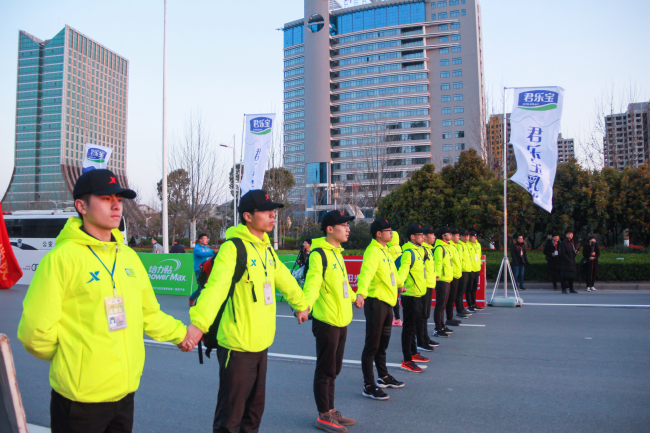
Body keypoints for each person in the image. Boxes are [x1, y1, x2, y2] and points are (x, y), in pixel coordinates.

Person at [17, 169, 195, 433]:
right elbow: (34, 333)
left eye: (119, 199)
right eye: (104, 198)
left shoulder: (129, 258)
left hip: (124, 395)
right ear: (81, 206)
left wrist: (183, 334)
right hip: (80, 401)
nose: (116, 205)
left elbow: (149, 314)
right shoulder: (61, 259)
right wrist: (74, 360)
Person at [185, 189, 310, 433]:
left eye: (273, 210)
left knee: (253, 416)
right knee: (230, 419)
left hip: (261, 344)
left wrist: (300, 304)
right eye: (266, 210)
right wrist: (198, 324)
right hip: (237, 347)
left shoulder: (266, 249)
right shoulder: (233, 248)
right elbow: (216, 288)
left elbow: (284, 278)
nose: (273, 215)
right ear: (247, 216)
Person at [303, 210, 361, 433]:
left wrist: (356, 298)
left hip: (342, 319)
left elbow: (343, 284)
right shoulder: (319, 254)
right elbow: (313, 284)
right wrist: (305, 305)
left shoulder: (337, 252)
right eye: (343, 225)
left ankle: (331, 409)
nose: (348, 228)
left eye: (348, 225)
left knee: (334, 368)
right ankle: (323, 415)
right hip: (326, 320)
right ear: (330, 229)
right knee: (325, 369)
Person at [356, 219, 406, 401]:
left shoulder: (385, 251)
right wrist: (361, 293)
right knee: (372, 345)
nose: (391, 233)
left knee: (383, 344)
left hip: (388, 302)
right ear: (378, 233)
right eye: (388, 230)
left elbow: (392, 272)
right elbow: (366, 273)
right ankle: (368, 385)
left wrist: (400, 285)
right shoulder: (373, 252)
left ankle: (383, 377)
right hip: (376, 302)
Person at [396, 224, 429, 373]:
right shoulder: (409, 252)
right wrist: (400, 284)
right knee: (409, 328)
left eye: (423, 234)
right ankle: (407, 359)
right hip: (410, 295)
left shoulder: (420, 250)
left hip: (419, 293)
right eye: (420, 235)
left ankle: (414, 353)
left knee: (415, 325)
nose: (423, 237)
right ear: (412, 237)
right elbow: (403, 270)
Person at [418, 226, 438, 352]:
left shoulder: (429, 250)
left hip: (430, 284)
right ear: (425, 237)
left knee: (426, 314)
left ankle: (425, 337)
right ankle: (421, 341)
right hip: (424, 285)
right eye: (432, 235)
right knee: (422, 315)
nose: (434, 237)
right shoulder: (422, 250)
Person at [432, 226, 454, 338]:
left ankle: (442, 325)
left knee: (443, 305)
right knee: (440, 305)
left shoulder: (447, 247)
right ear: (443, 236)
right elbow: (438, 263)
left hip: (447, 279)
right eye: (448, 233)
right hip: (441, 280)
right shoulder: (440, 248)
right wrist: (437, 275)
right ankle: (437, 328)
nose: (451, 235)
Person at [450, 229, 471, 325]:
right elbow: (458, 260)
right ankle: (459, 310)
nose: (466, 237)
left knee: (461, 292)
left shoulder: (464, 245)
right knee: (458, 293)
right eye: (459, 235)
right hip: (461, 272)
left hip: (464, 271)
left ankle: (461, 309)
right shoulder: (459, 246)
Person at [387, 231, 403, 326]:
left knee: (393, 298)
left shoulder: (390, 250)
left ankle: (397, 318)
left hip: (394, 276)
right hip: (401, 275)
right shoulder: (399, 248)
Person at [465, 231, 483, 312]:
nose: (474, 238)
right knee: (469, 288)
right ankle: (470, 305)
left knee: (474, 288)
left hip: (476, 268)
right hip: (470, 269)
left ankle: (474, 303)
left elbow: (479, 255)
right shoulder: (467, 245)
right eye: (472, 237)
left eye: (475, 237)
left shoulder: (478, 245)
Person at [559, 228, 579, 294]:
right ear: (566, 235)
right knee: (564, 276)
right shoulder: (563, 242)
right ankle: (564, 289)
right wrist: (568, 259)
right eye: (569, 234)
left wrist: (575, 253)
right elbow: (563, 253)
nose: (571, 235)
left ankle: (571, 289)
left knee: (571, 277)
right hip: (566, 263)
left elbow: (572, 251)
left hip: (572, 262)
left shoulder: (572, 242)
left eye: (572, 234)